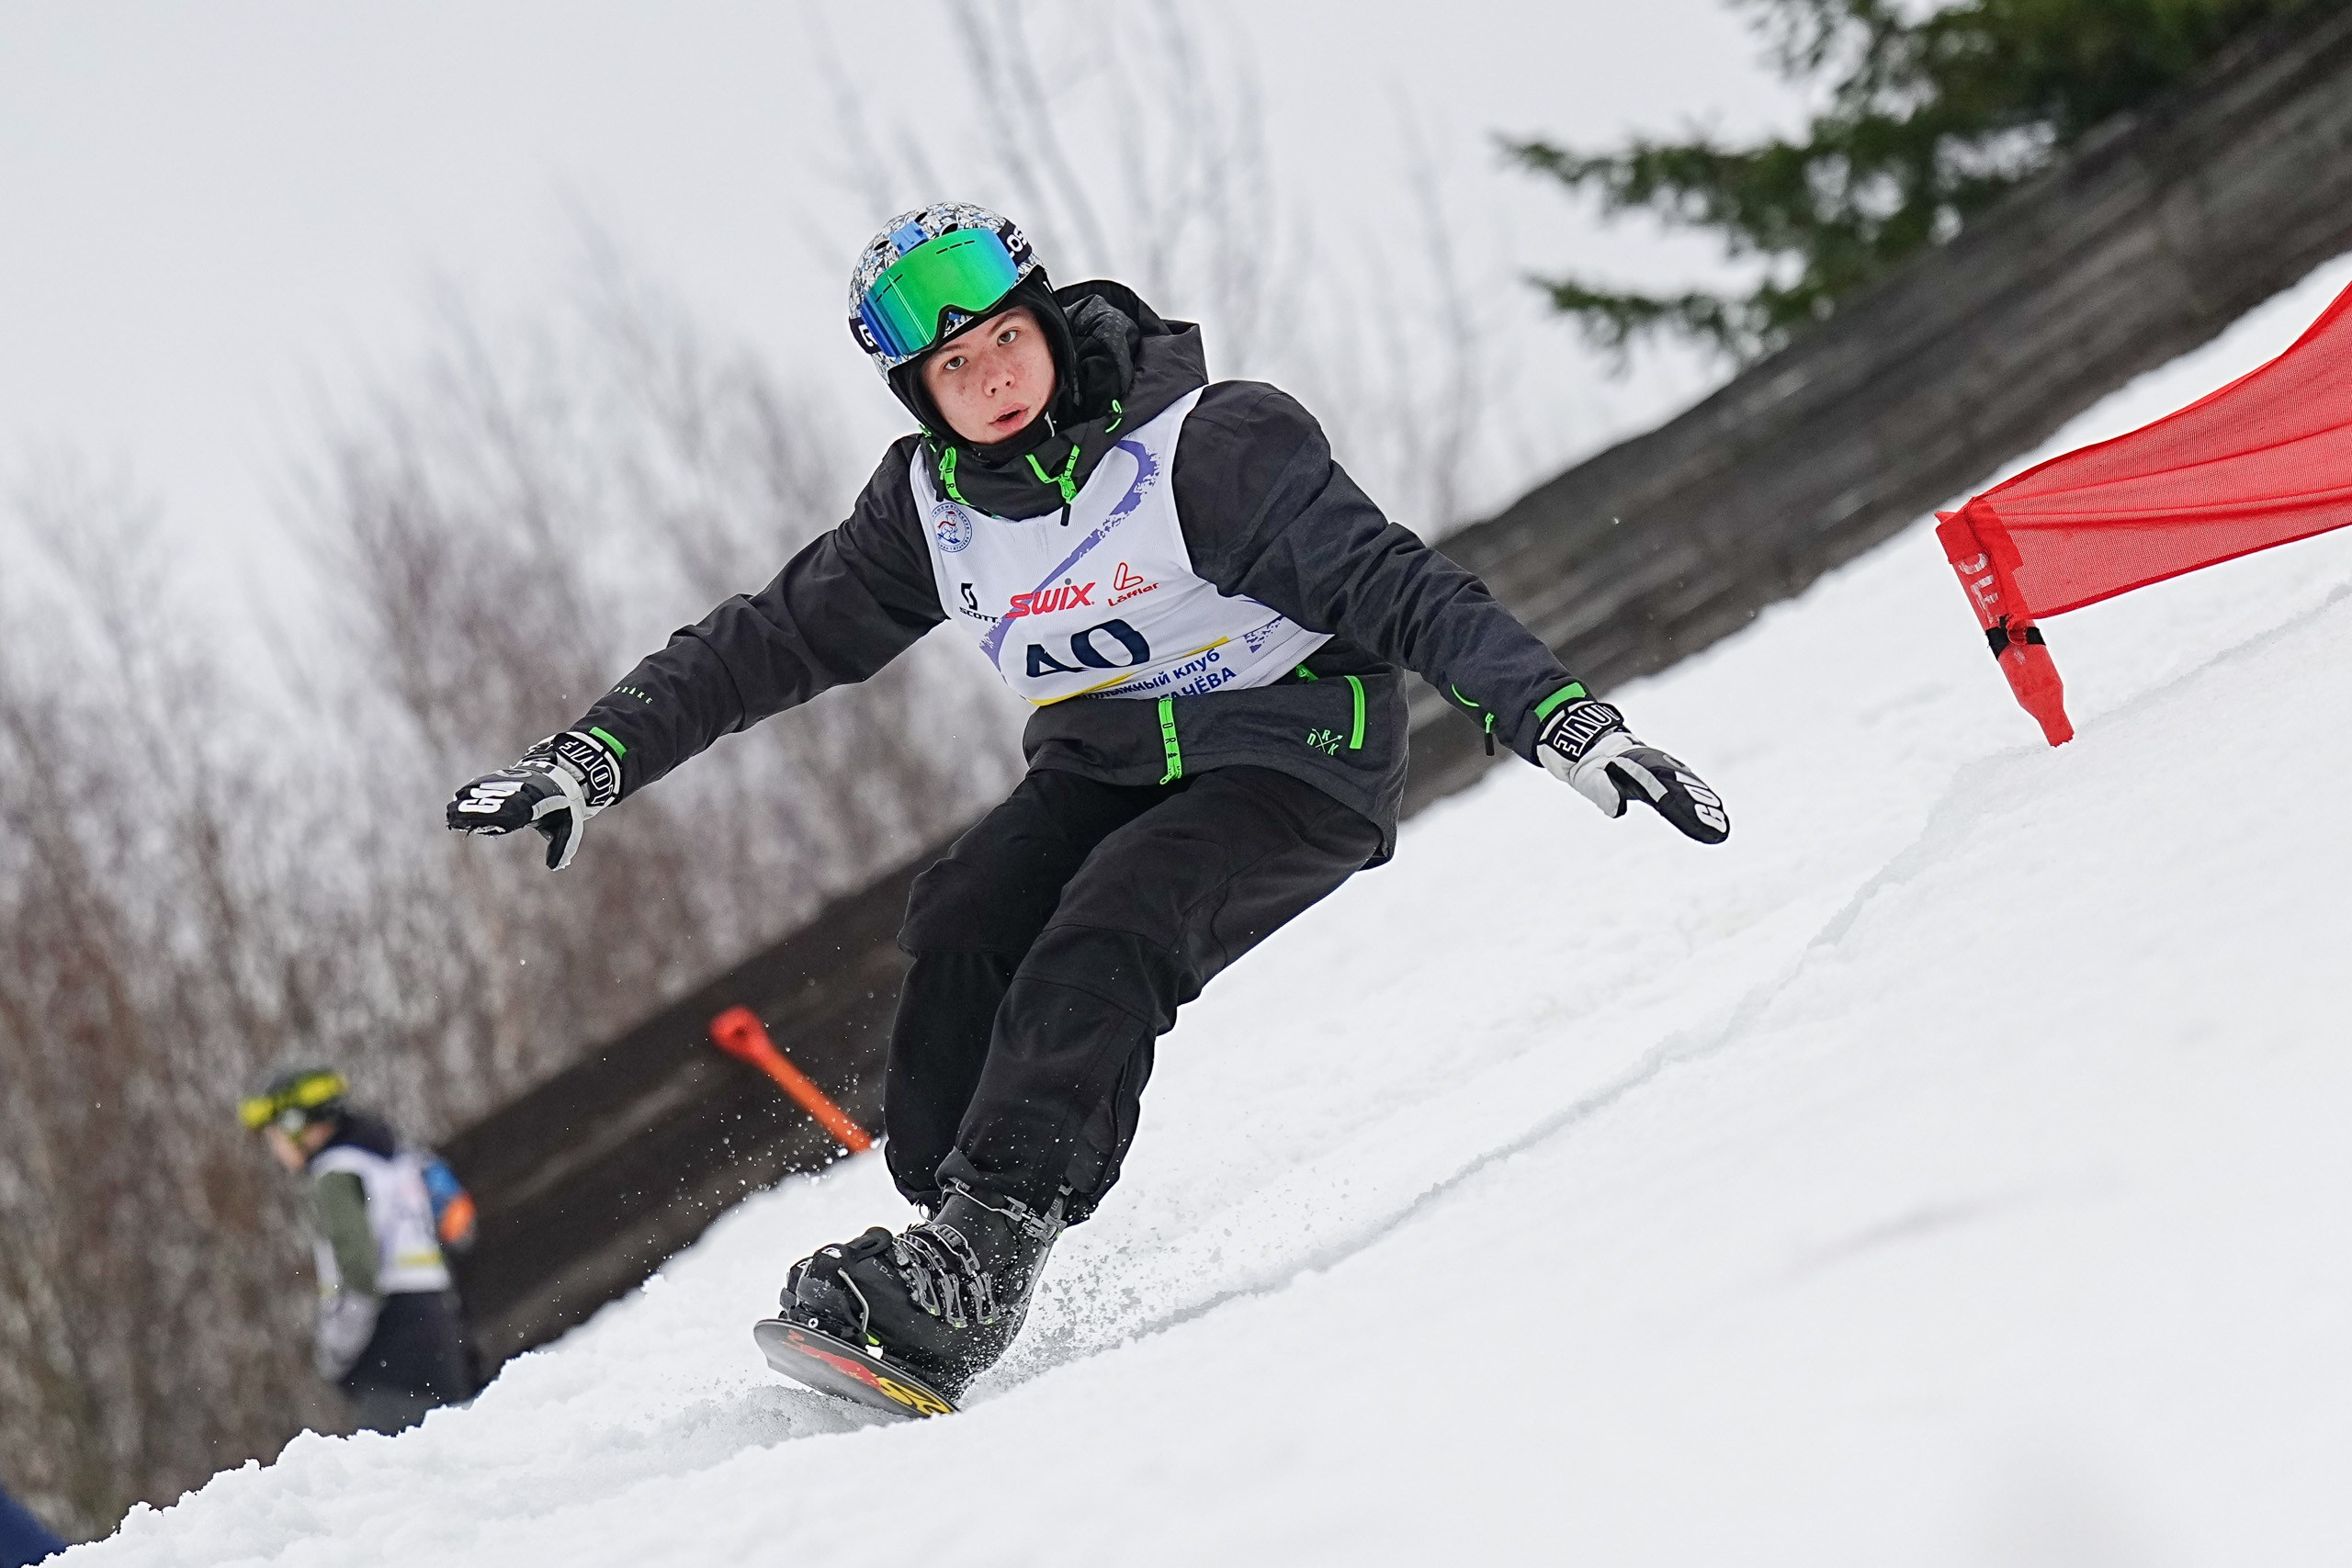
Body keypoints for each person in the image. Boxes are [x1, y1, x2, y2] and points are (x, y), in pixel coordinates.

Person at [447, 202, 1729, 1399]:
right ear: (921, 396)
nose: (995, 378)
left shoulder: (1206, 451)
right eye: (958, 370)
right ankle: (957, 1228)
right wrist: (591, 757)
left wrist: (1563, 719)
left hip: (1293, 751)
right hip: (1105, 759)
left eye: (1008, 341)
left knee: (1113, 924)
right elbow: (764, 641)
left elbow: (1403, 588)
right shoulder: (932, 514)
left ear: (1048, 325)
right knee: (963, 919)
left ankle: (984, 1260)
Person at [240, 1067, 476, 1433]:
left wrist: (335, 1351)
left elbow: (360, 1272)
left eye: (275, 1135)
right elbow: (458, 1231)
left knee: (397, 1479)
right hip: (440, 1334)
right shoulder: (401, 1160)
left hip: (392, 1355)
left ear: (296, 1124)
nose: (276, 1150)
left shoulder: (335, 1174)